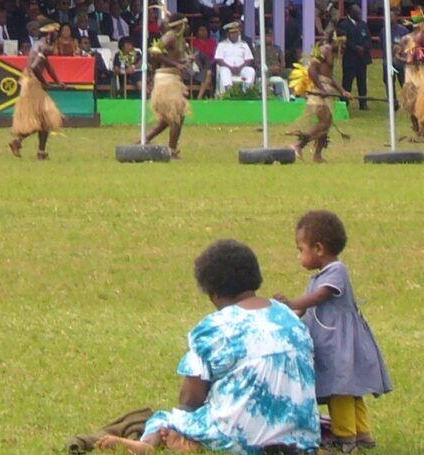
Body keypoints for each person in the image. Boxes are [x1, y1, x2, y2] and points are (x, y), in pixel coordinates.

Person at [95, 239, 321, 454]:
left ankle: (152, 443)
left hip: (238, 439)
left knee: (166, 418)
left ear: (214, 294)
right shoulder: (289, 317)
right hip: (300, 439)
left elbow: (190, 399)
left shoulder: (213, 328)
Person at [276, 211, 392, 453]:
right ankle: (362, 434)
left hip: (340, 345)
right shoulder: (320, 276)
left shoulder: (336, 271)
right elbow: (308, 309)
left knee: (340, 391)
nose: (299, 256)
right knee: (350, 392)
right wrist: (286, 314)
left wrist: (294, 302)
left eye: (300, 249)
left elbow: (320, 297)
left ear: (318, 248)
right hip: (332, 343)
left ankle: (345, 437)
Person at [8, 18, 65, 160]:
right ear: (49, 34)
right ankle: (24, 144)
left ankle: (38, 150)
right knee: (46, 116)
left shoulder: (42, 45)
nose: (57, 35)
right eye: (55, 32)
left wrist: (58, 81)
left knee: (44, 119)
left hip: (33, 82)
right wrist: (45, 82)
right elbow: (34, 67)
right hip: (32, 83)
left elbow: (47, 65)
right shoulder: (42, 46)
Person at [288, 41, 352, 163]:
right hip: (319, 90)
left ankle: (317, 155)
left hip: (326, 90)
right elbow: (311, 70)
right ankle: (298, 145)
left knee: (327, 124)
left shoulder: (332, 53)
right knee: (323, 123)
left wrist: (343, 91)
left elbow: (330, 76)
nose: (343, 46)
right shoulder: (324, 50)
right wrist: (321, 89)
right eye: (342, 43)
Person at [143, 13, 190, 160]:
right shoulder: (170, 36)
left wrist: (185, 60)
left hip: (173, 79)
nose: (187, 27)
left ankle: (143, 141)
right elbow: (154, 51)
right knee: (176, 117)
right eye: (185, 24)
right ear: (179, 25)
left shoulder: (179, 39)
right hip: (166, 79)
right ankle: (172, 150)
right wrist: (177, 64)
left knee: (167, 119)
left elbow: (173, 57)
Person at [338, 4, 371, 110]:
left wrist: (364, 47)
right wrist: (356, 48)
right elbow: (344, 40)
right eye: (357, 13)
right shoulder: (344, 25)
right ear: (350, 13)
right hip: (350, 58)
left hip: (362, 59)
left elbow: (368, 38)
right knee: (347, 81)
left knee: (362, 82)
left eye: (360, 13)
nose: (360, 15)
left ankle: (363, 103)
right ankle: (344, 102)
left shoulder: (363, 24)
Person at [399, 9, 424, 136]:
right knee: (411, 101)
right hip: (410, 72)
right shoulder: (406, 39)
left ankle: (422, 127)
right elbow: (396, 56)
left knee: (422, 99)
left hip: (422, 71)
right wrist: (408, 59)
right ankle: (416, 127)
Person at [379, 8, 409, 111]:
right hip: (388, 62)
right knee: (389, 83)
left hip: (400, 63)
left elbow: (408, 46)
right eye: (388, 16)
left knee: (404, 82)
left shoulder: (403, 31)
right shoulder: (383, 31)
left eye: (392, 16)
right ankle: (393, 102)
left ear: (396, 18)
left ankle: (408, 102)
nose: (390, 18)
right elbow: (382, 46)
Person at [214, 21, 255, 93]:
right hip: (227, 68)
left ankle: (246, 92)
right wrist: (230, 67)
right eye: (232, 33)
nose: (234, 35)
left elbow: (249, 59)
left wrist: (240, 67)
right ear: (228, 34)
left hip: (241, 69)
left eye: (236, 32)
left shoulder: (244, 44)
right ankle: (228, 92)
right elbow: (218, 59)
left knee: (250, 70)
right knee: (224, 70)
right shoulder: (222, 44)